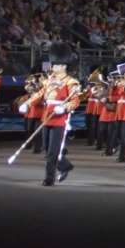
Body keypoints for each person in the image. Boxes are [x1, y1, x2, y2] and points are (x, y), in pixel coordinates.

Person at [29, 42, 80, 186]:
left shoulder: (71, 82)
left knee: (52, 152)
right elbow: (40, 94)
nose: (54, 68)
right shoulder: (49, 80)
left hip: (59, 119)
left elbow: (75, 101)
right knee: (47, 149)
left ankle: (49, 178)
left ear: (64, 66)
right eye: (54, 65)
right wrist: (27, 104)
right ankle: (64, 165)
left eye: (57, 65)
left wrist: (64, 108)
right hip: (47, 117)